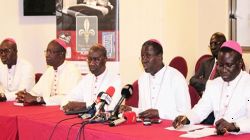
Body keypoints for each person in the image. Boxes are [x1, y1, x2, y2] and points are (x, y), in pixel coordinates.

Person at [173, 40, 250, 135]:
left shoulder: (248, 83)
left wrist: (234, 126)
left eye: (228, 65)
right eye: (220, 65)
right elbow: (200, 110)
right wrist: (186, 118)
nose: (224, 70)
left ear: (240, 63)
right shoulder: (214, 84)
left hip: (242, 136)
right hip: (217, 135)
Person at [120, 39, 191, 120]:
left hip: (170, 129)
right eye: (142, 56)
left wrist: (159, 113)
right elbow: (144, 111)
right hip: (147, 128)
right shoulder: (143, 78)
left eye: (148, 56)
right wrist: (131, 110)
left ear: (160, 57)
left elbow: (186, 114)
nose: (144, 60)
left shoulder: (176, 78)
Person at [16, 39, 81, 106]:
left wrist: (39, 99)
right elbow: (35, 92)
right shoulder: (49, 71)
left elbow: (67, 98)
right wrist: (24, 95)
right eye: (47, 52)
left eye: (51, 52)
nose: (47, 55)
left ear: (62, 54)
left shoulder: (73, 71)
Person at [61, 44, 121, 112]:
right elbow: (68, 98)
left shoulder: (115, 80)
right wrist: (68, 105)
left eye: (96, 59)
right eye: (90, 59)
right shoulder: (87, 79)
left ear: (105, 60)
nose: (91, 63)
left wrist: (84, 105)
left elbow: (113, 106)